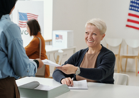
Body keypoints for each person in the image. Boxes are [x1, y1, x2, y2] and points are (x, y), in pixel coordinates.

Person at [0, 0, 44, 98]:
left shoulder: (36, 40)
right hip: (4, 87)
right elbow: (22, 68)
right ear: (12, 6)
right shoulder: (9, 27)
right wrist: (36, 64)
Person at [53, 18, 115, 86]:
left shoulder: (109, 55)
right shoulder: (79, 54)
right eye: (87, 33)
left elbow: (100, 74)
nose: (89, 37)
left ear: (102, 36)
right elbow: (57, 71)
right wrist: (62, 79)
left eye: (94, 34)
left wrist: (76, 70)